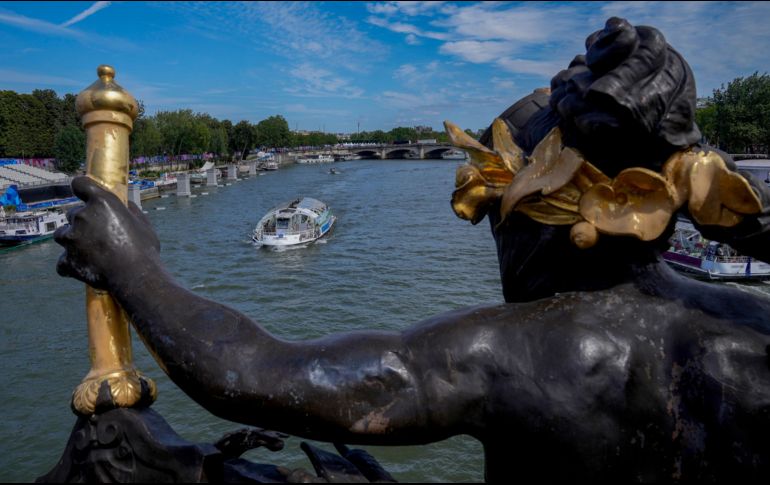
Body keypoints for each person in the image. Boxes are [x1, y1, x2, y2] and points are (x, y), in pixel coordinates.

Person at [55, 18, 770, 482]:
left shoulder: (528, 349)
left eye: (492, 205)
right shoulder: (743, 328)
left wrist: (131, 263)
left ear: (553, 198)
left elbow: (248, 373)